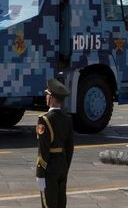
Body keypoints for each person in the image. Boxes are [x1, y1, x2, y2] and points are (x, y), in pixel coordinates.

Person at [36, 78, 74, 208]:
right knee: (60, 203)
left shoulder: (44, 120)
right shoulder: (67, 119)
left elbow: (43, 150)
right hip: (62, 165)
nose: (46, 97)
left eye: (47, 95)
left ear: (51, 98)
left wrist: (40, 174)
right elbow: (70, 148)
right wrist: (65, 167)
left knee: (49, 204)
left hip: (50, 169)